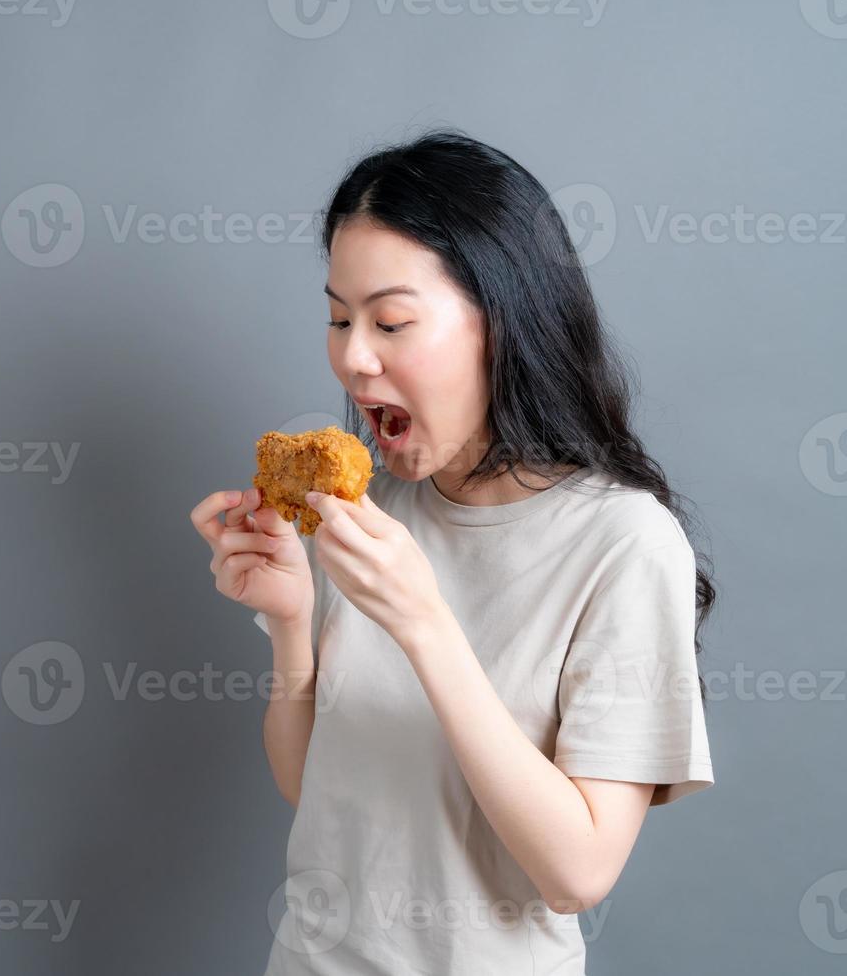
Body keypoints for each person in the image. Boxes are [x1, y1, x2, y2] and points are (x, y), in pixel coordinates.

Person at [189, 130, 716, 975]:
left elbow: (578, 872)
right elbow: (313, 791)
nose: (353, 357)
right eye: (338, 317)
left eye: (391, 321)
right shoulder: (370, 512)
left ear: (503, 325)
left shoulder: (624, 542)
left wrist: (426, 625)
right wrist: (291, 623)